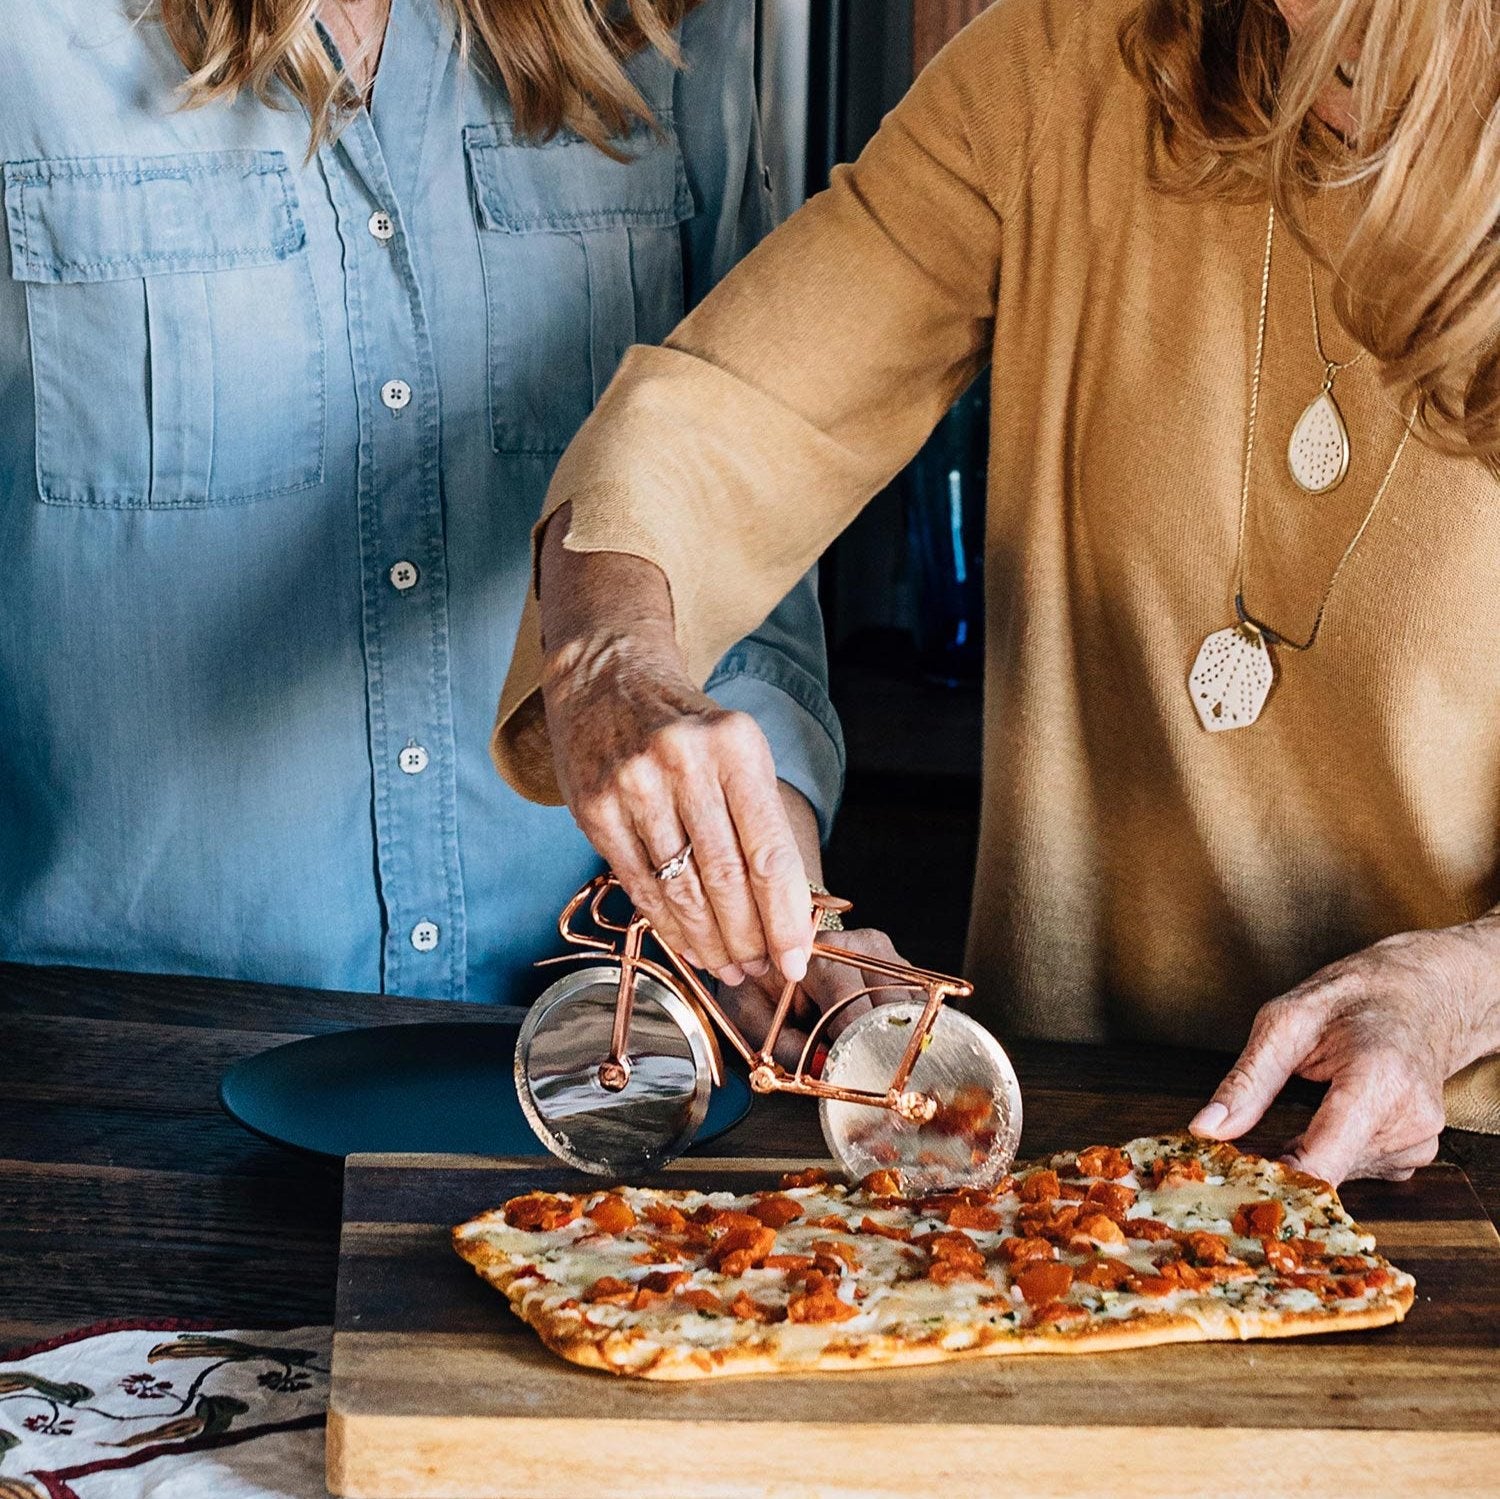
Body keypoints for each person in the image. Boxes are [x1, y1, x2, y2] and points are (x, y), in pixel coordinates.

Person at [494, 0, 1500, 1180]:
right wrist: (609, 654)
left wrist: (1458, 993)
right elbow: (738, 406)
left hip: (1462, 1154)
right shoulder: (1074, 56)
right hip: (1059, 1133)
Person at [0, 0, 852, 1008]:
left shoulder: (662, 28)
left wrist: (759, 902)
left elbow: (748, 528)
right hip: (100, 1053)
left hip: (599, 1049)